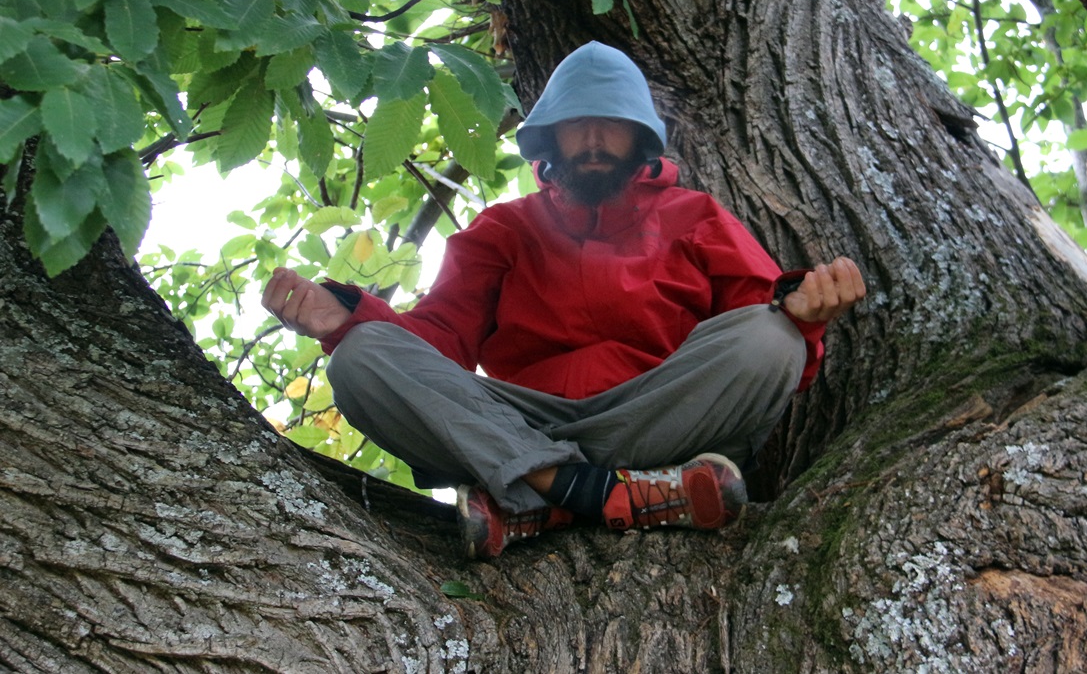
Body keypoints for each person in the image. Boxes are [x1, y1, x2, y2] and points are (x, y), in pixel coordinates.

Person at [262, 41, 864, 558]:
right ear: (550, 135)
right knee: (361, 357)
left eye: (611, 122)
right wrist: (347, 319)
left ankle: (535, 498)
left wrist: (802, 314)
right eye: (577, 123)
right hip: (523, 419)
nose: (594, 138)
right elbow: (440, 339)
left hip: (656, 416)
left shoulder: (696, 215)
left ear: (640, 136)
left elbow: (756, 317)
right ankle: (605, 493)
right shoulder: (503, 228)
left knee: (770, 336)